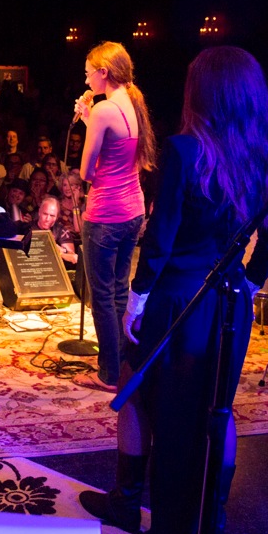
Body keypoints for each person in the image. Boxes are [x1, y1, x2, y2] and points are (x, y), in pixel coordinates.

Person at [80, 46, 268, 534]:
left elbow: (163, 238)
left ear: (204, 93)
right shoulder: (267, 154)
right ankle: (210, 524)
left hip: (176, 299)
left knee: (158, 405)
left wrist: (138, 300)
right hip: (229, 304)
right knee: (217, 408)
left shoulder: (185, 151)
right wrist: (244, 287)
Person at [73, 40, 155, 391]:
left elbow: (86, 171)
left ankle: (107, 373)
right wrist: (90, 117)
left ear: (104, 72)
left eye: (89, 72)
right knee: (119, 290)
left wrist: (88, 118)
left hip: (105, 213)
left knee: (101, 295)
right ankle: (121, 363)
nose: (87, 78)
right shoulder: (133, 103)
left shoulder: (106, 109)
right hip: (132, 210)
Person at [35, 195, 77, 265]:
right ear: (39, 212)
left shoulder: (61, 230)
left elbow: (73, 258)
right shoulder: (27, 228)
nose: (47, 219)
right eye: (45, 214)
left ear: (57, 217)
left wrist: (59, 253)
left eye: (52, 216)